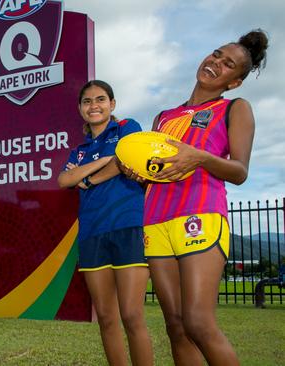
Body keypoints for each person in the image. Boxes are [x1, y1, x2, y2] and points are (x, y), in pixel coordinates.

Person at [125, 30, 269, 366]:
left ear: (234, 82)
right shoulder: (164, 116)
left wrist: (200, 157)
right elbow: (157, 170)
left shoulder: (235, 108)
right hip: (156, 220)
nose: (216, 63)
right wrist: (140, 173)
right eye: (216, 55)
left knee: (198, 322)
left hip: (200, 215)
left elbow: (240, 171)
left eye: (228, 64)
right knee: (175, 326)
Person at [57, 80, 154, 365]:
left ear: (112, 104)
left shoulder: (127, 127)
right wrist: (107, 160)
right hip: (92, 234)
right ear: (80, 108)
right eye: (87, 101)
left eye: (100, 99)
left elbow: (127, 159)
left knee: (132, 315)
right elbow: (63, 180)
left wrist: (86, 178)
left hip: (128, 227)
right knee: (107, 318)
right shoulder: (79, 150)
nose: (94, 106)